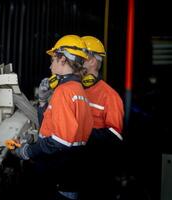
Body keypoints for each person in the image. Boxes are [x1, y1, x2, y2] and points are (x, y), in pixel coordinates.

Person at [12, 35, 94, 200]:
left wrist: (28, 151)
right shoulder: (77, 90)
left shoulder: (64, 92)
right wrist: (43, 101)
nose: (50, 65)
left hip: (58, 178)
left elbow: (59, 142)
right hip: (69, 176)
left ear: (63, 58)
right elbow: (51, 127)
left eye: (53, 59)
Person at [81, 35, 125, 199]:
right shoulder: (71, 88)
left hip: (96, 172)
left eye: (81, 57)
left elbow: (115, 137)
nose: (75, 62)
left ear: (93, 61)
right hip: (71, 167)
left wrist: (82, 133)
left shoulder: (110, 96)